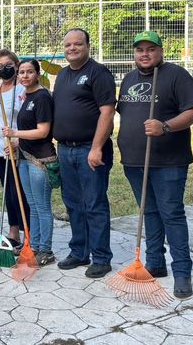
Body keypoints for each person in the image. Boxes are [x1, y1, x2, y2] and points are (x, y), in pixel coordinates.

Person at [117, 31, 193, 298]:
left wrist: (164, 126)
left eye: (151, 49)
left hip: (168, 161)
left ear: (161, 51)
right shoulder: (129, 79)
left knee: (172, 215)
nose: (145, 54)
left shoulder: (176, 75)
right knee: (149, 213)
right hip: (133, 161)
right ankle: (155, 263)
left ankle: (182, 273)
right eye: (140, 49)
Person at [53, 28, 116, 278]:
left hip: (90, 150)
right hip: (65, 151)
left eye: (77, 44)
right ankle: (80, 251)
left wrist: (97, 147)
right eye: (68, 45)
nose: (72, 49)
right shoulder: (63, 75)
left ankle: (101, 257)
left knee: (94, 204)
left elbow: (107, 112)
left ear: (88, 46)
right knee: (73, 204)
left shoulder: (98, 73)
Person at [2, 59, 57, 266]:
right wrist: (15, 142)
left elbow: (43, 131)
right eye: (21, 72)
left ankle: (46, 249)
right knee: (32, 206)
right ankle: (32, 245)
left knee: (42, 207)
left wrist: (15, 133)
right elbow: (29, 130)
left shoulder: (42, 97)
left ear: (37, 74)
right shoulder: (27, 96)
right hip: (24, 156)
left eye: (29, 72)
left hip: (40, 160)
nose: (25, 76)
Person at [0, 49, 29, 248]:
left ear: (17, 66)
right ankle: (14, 232)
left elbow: (29, 120)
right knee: (9, 192)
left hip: (16, 149)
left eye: (9, 65)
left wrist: (17, 141)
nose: (4, 69)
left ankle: (28, 233)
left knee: (20, 192)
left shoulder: (21, 90)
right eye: (0, 66)